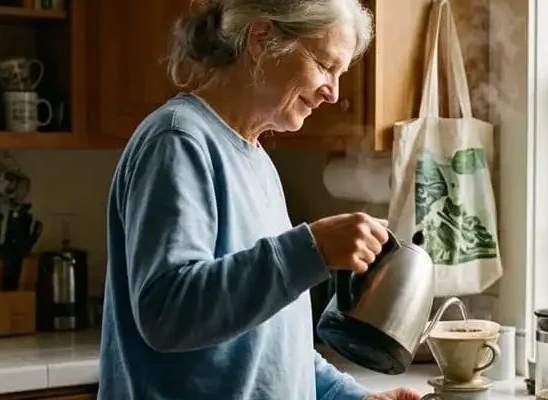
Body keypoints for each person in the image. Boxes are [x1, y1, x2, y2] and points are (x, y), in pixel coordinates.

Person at [98, 0, 422, 399]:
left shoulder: (258, 163)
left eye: (340, 74)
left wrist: (353, 398)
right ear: (262, 39)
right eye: (324, 65)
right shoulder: (178, 141)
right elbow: (167, 312)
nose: (333, 94)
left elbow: (274, 346)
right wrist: (313, 249)